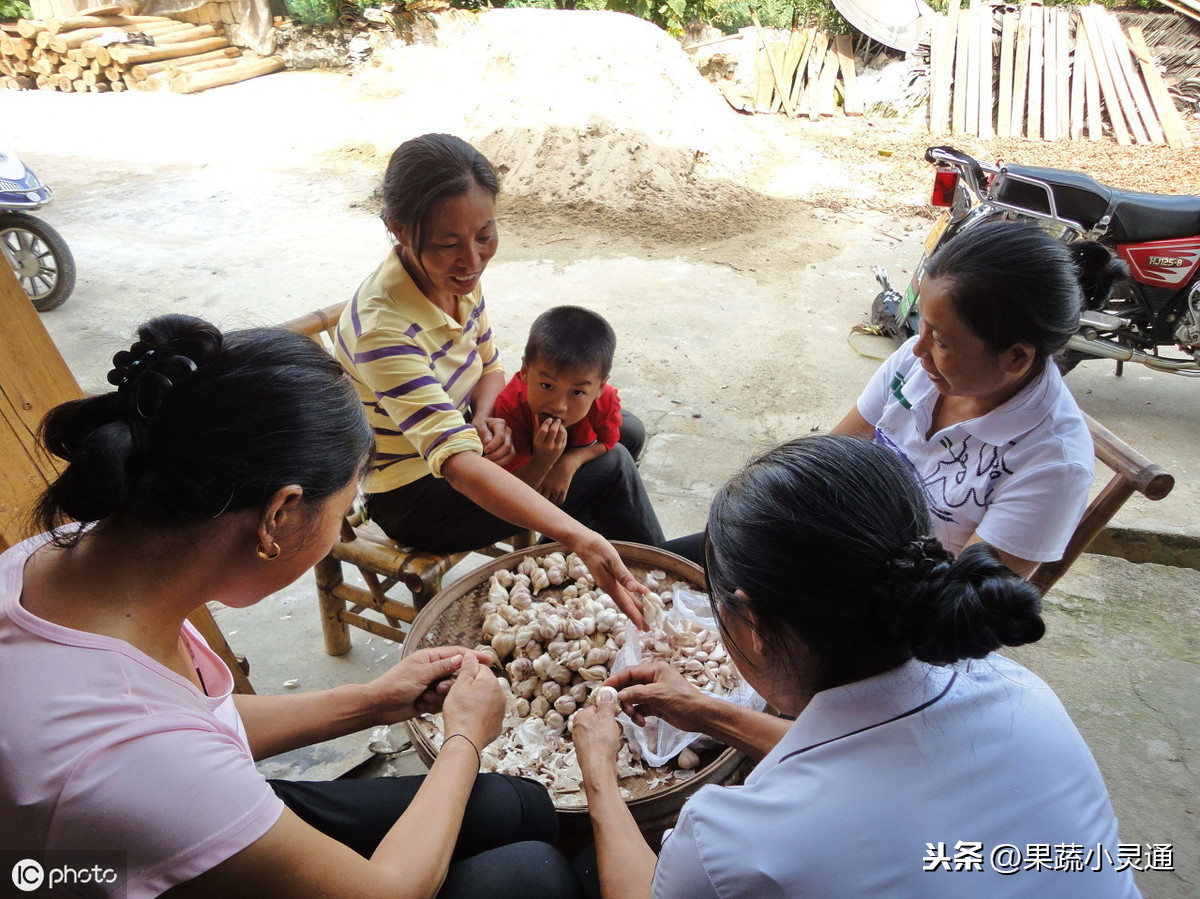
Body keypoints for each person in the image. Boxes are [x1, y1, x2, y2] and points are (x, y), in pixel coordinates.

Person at [0, 314, 582, 899]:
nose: (341, 530)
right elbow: (384, 892)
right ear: (280, 514)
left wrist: (371, 701)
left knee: (517, 806)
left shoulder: (56, 562)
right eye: (346, 510)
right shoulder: (138, 768)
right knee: (532, 872)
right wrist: (464, 737)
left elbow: (195, 721)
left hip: (129, 831)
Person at [572, 435, 1139, 898]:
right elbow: (866, 756)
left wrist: (599, 773)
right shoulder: (1021, 690)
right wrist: (708, 713)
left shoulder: (738, 838)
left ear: (749, 625)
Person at [664, 222, 1124, 577]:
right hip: (839, 547)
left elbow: (957, 608)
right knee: (670, 563)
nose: (916, 347)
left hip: (901, 615)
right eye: (922, 324)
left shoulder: (1052, 463)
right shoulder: (919, 364)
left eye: (941, 339)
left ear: (1017, 358)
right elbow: (831, 461)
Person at [334, 133, 659, 625]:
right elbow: (458, 466)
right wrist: (577, 535)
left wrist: (487, 418)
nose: (472, 259)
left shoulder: (456, 279)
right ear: (401, 231)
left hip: (466, 436)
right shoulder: (383, 327)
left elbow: (489, 366)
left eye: (484, 235)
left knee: (623, 429)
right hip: (417, 493)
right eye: (448, 243)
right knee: (610, 465)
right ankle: (652, 586)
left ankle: (589, 570)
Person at [492, 305, 661, 541]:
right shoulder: (511, 405)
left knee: (632, 431)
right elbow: (513, 493)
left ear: (600, 387)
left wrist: (569, 463)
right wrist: (543, 460)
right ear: (525, 371)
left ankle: (590, 514)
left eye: (577, 392)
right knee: (618, 460)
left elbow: (609, 439)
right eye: (547, 386)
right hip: (528, 478)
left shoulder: (605, 399)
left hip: (573, 452)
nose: (559, 405)